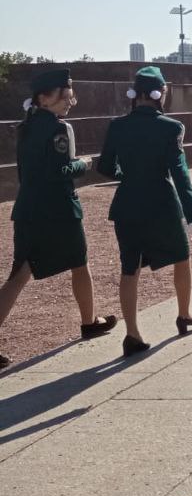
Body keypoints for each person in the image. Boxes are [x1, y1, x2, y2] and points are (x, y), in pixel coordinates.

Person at [1, 69, 115, 368]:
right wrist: (83, 164)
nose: (70, 102)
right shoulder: (58, 129)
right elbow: (60, 171)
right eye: (64, 97)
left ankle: (90, 320)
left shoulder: (26, 127)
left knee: (19, 274)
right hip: (59, 210)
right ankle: (89, 321)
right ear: (44, 98)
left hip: (29, 209)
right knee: (79, 262)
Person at [97, 66, 192, 356]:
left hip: (127, 205)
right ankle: (184, 314)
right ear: (160, 94)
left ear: (135, 94)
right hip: (161, 205)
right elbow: (179, 173)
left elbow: (104, 166)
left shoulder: (117, 125)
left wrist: (128, 174)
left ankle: (132, 334)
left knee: (129, 268)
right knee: (182, 257)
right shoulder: (171, 127)